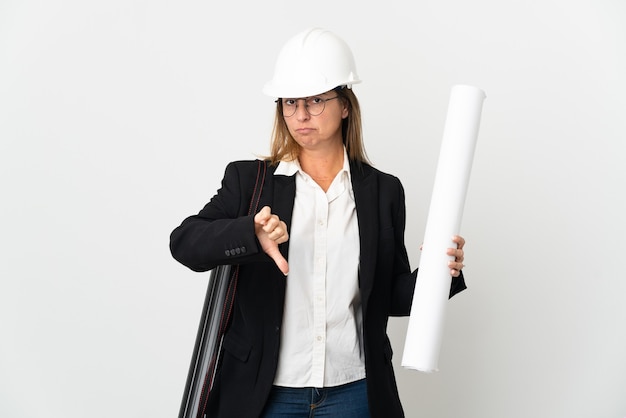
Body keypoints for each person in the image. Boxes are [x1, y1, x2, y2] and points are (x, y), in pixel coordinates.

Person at [170, 27, 467, 418]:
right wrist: (250, 235)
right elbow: (185, 243)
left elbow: (388, 297)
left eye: (315, 100)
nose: (301, 115)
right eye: (290, 102)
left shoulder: (383, 191)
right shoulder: (249, 181)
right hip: (265, 394)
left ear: (345, 105)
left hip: (355, 390)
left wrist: (439, 274)